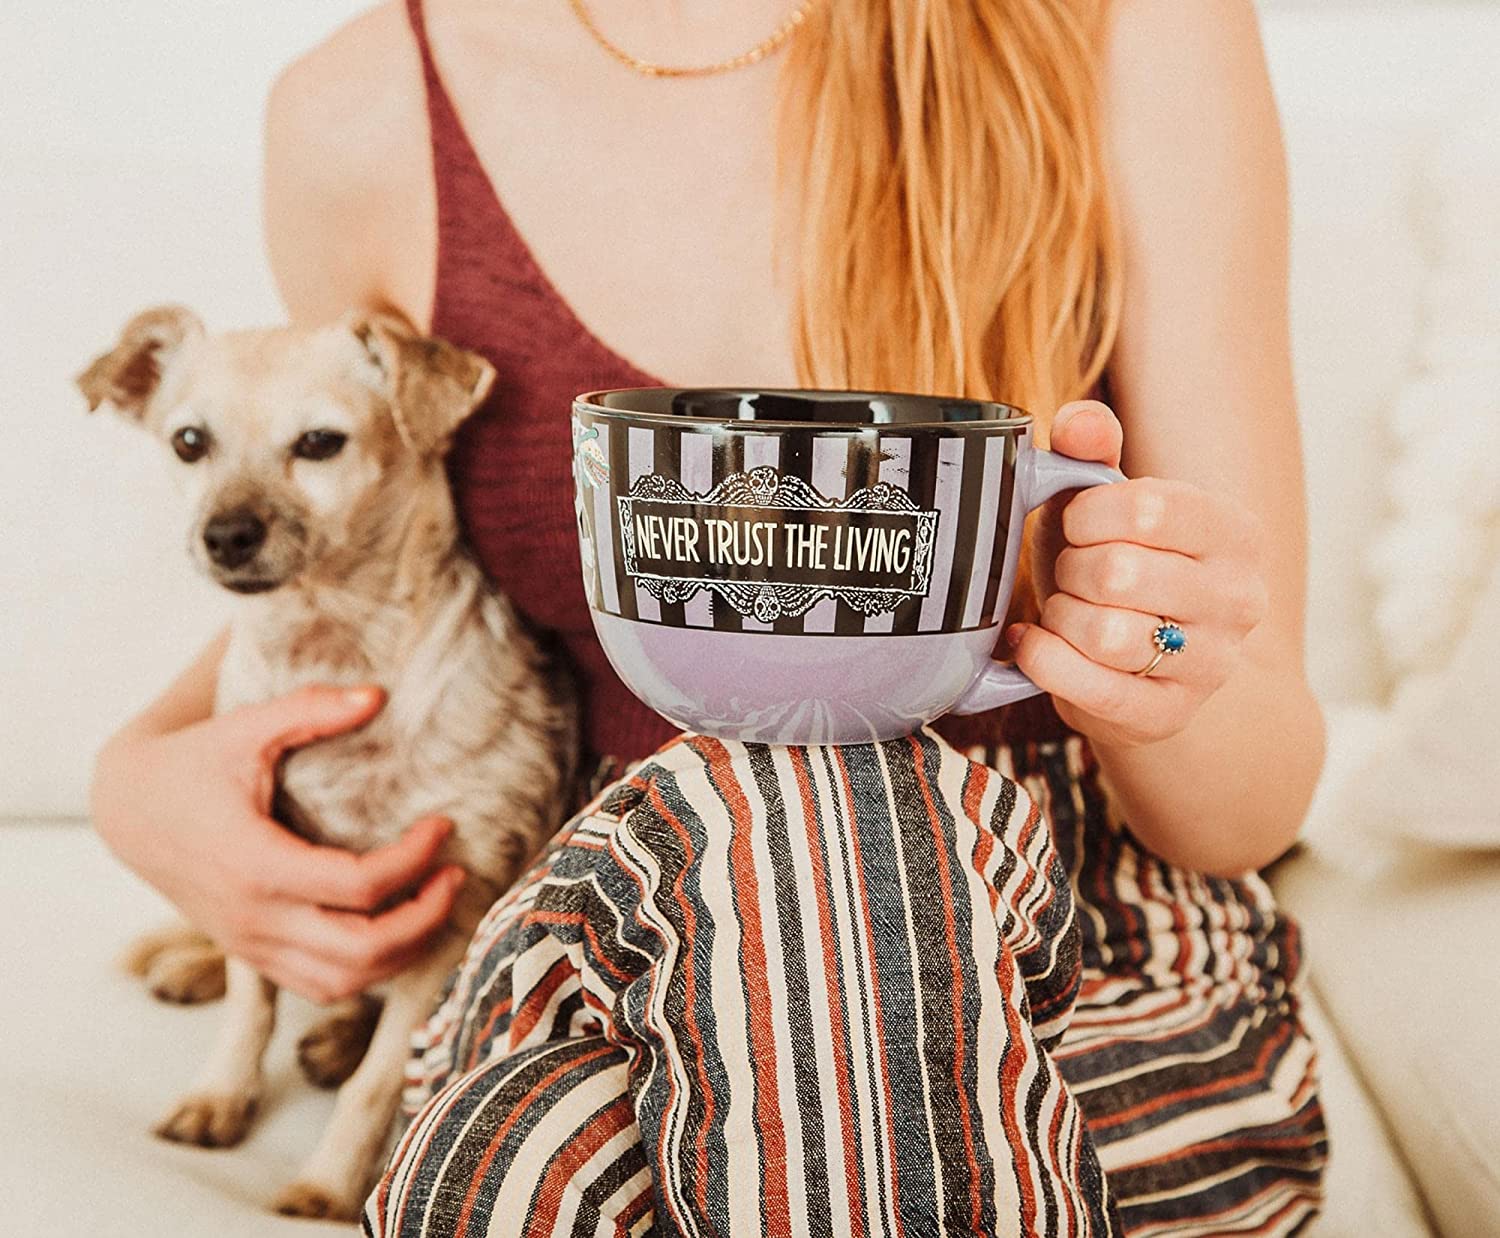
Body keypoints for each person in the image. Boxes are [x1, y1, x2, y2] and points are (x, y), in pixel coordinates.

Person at [91, 0, 1328, 1231]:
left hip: (1081, 956)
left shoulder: (1129, 25)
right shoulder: (357, 111)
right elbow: (378, 562)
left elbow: (1251, 795)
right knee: (553, 1109)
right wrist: (136, 778)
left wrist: (1154, 656)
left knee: (808, 816)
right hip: (611, 923)